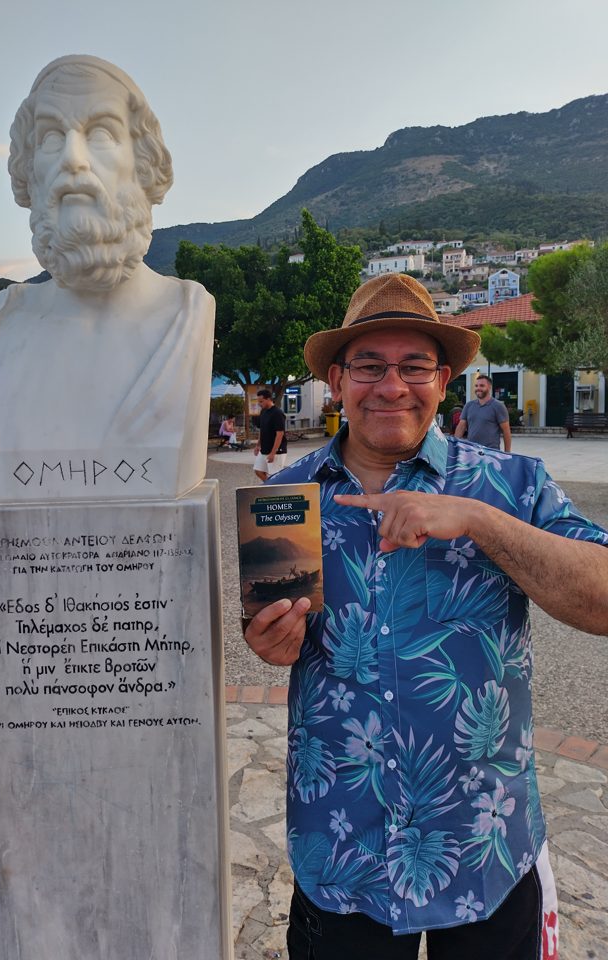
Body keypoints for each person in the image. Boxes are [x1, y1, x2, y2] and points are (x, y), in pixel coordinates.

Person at [244, 273, 608, 959]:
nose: (392, 387)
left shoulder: (512, 485)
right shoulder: (286, 498)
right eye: (368, 366)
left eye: (414, 366)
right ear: (335, 380)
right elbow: (273, 628)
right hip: (341, 852)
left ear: (443, 382)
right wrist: (271, 642)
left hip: (484, 848)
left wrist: (477, 520)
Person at [0, 55, 215, 502]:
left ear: (143, 164)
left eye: (101, 134)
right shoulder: (6, 318)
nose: (73, 159)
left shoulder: (188, 313)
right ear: (29, 171)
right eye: (51, 137)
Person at [454, 374, 512, 451]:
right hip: (472, 451)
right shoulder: (468, 405)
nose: (478, 388)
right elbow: (461, 427)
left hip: (491, 452)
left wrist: (507, 454)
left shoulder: (498, 406)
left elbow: (506, 431)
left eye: (482, 386)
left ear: (489, 387)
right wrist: (454, 446)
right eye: (476, 386)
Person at [253, 388, 287, 481]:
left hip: (277, 451)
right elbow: (262, 430)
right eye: (258, 401)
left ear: (268, 399)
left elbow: (280, 434)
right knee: (258, 470)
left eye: (261, 401)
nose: (259, 404)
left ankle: (276, 488)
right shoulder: (263, 411)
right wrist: (258, 445)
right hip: (264, 448)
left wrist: (273, 453)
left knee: (275, 476)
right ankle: (270, 486)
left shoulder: (277, 413)